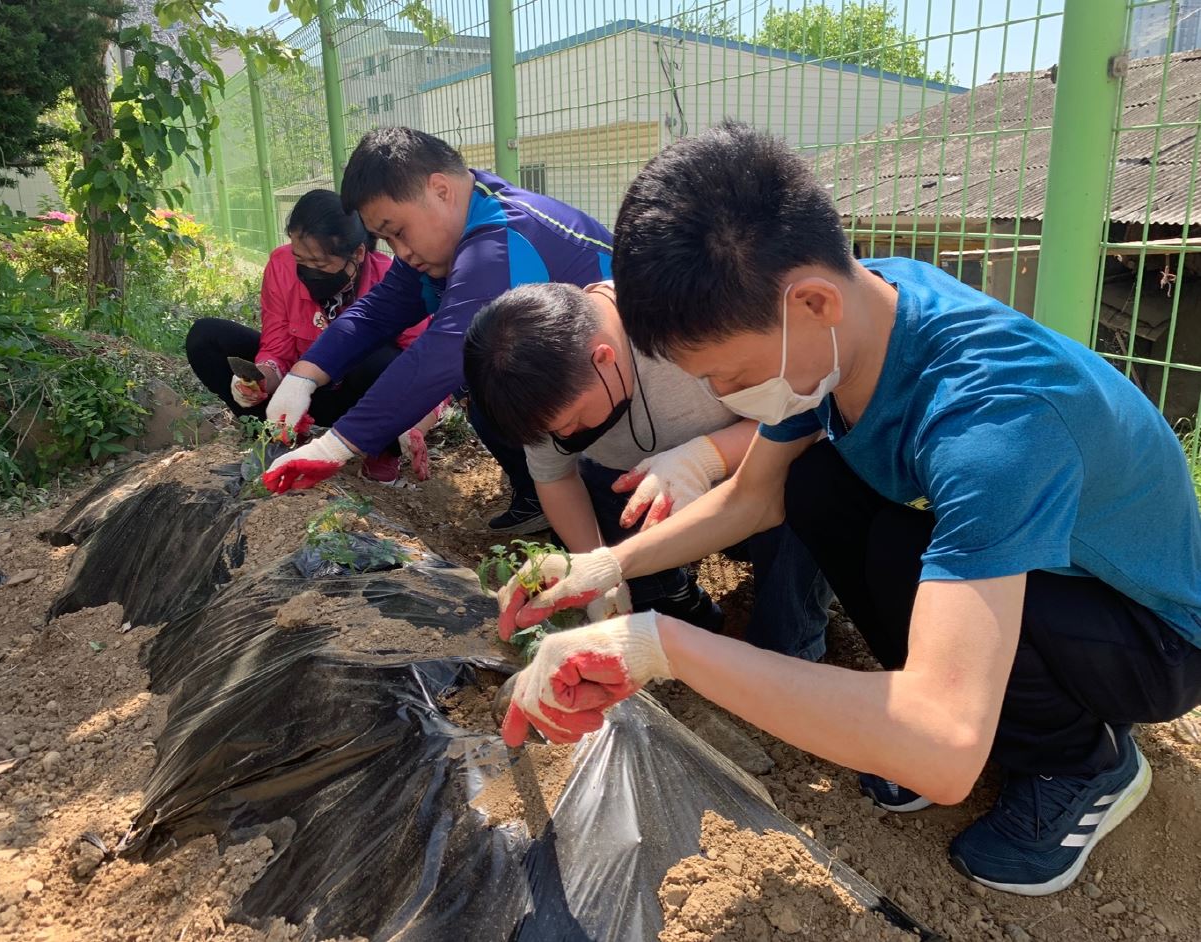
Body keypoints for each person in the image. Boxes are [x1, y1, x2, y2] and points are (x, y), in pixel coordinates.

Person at [493, 123, 1201, 896]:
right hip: (1057, 569)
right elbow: (753, 497)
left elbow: (942, 750)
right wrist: (601, 566)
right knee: (817, 486)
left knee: (936, 707)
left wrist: (656, 644)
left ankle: (1083, 763)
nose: (727, 400)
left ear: (814, 301)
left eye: (731, 373)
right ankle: (961, 701)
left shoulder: (995, 424)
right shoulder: (853, 325)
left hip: (1153, 635)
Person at [259, 127, 615, 534]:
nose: (400, 251)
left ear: (440, 190)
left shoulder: (498, 242)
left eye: (398, 231)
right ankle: (542, 497)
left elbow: (442, 355)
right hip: (578, 377)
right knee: (484, 381)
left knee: (481, 368)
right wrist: (303, 375)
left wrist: (334, 446)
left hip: (636, 389)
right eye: (386, 239)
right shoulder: (456, 226)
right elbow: (378, 311)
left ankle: (642, 566)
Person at [464, 280, 831, 653]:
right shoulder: (539, 385)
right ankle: (679, 599)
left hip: (763, 480)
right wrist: (598, 572)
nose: (568, 434)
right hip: (639, 495)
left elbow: (804, 414)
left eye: (573, 421)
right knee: (652, 614)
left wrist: (702, 458)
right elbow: (556, 476)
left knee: (812, 485)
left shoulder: (689, 319)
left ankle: (788, 648)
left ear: (603, 358)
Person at [184, 189, 435, 482]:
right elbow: (276, 345)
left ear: (357, 253)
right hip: (299, 390)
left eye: (319, 264)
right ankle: (278, 431)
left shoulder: (392, 281)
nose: (307, 272)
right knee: (206, 336)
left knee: (380, 359)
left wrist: (417, 425)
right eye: (300, 260)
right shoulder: (281, 265)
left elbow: (425, 363)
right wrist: (261, 379)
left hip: (361, 402)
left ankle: (382, 448)